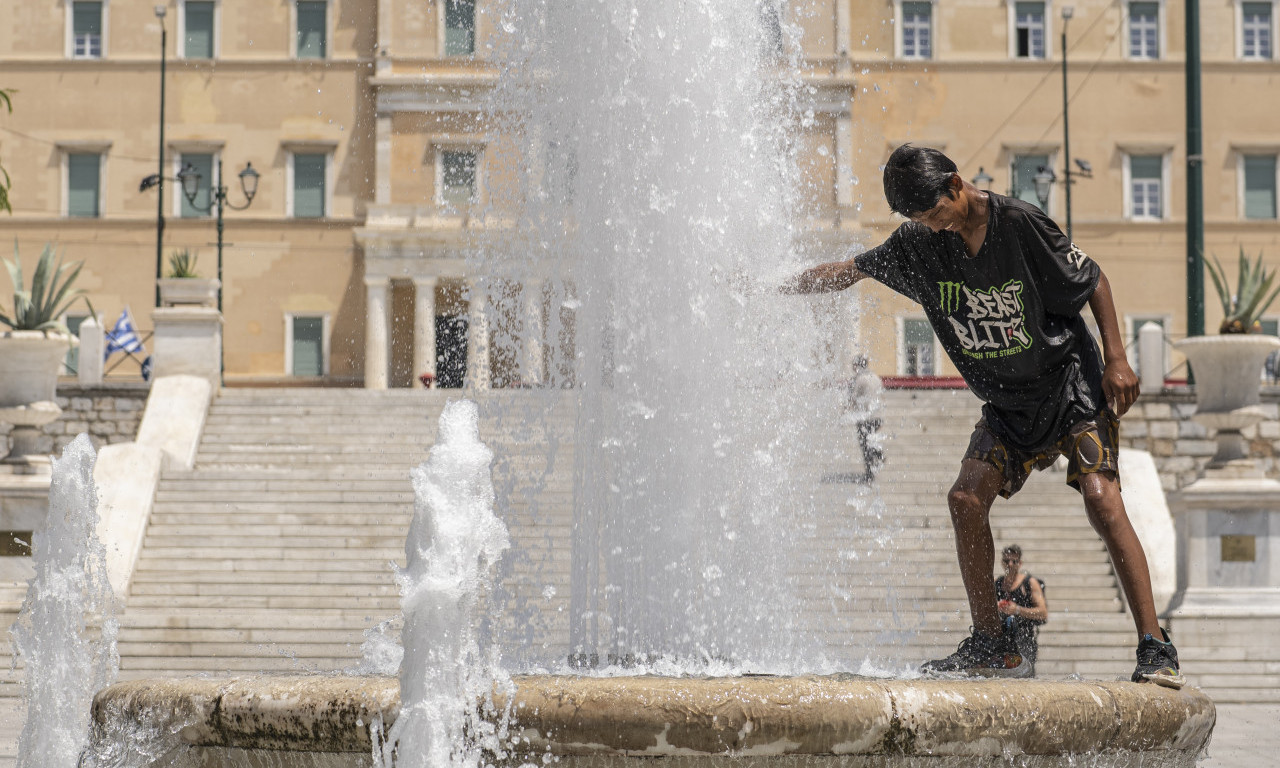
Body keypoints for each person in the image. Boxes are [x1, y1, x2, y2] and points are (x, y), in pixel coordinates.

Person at [780, 144, 1184, 687]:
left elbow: (1095, 281)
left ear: (956, 184)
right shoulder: (919, 246)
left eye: (936, 213)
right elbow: (850, 270)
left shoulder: (1018, 222)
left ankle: (1155, 648)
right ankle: (992, 643)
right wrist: (770, 286)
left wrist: (1116, 358)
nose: (935, 228)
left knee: (1101, 498)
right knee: (965, 499)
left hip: (1069, 385)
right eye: (921, 220)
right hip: (1007, 405)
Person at [995, 544, 1047, 674]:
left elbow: (1043, 613)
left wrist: (1017, 610)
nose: (1010, 564)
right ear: (1002, 562)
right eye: (1007, 561)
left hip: (1025, 640)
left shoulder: (1029, 583)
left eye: (1014, 561)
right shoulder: (997, 583)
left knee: (1025, 676)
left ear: (1020, 563)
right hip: (1001, 642)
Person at [846, 355, 885, 483]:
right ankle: (878, 455)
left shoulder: (860, 379)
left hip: (865, 418)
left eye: (854, 366)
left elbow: (853, 398)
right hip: (878, 417)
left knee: (865, 446)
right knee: (870, 441)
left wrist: (845, 411)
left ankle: (870, 472)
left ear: (857, 366)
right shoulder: (875, 377)